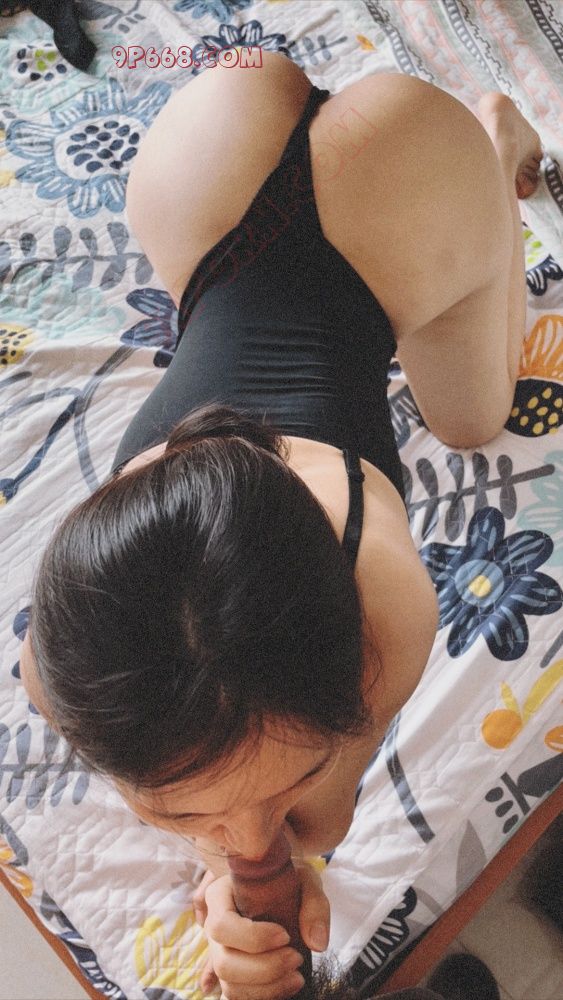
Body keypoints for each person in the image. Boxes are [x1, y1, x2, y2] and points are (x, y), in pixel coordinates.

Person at [20, 51, 541, 1000]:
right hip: (205, 157)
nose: (248, 834)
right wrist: (232, 873)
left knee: (473, 420)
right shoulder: (57, 669)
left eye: (278, 788)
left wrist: (244, 877)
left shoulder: (387, 610)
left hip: (403, 170)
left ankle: (495, 143)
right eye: (185, 813)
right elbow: (263, 818)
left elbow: (314, 833)